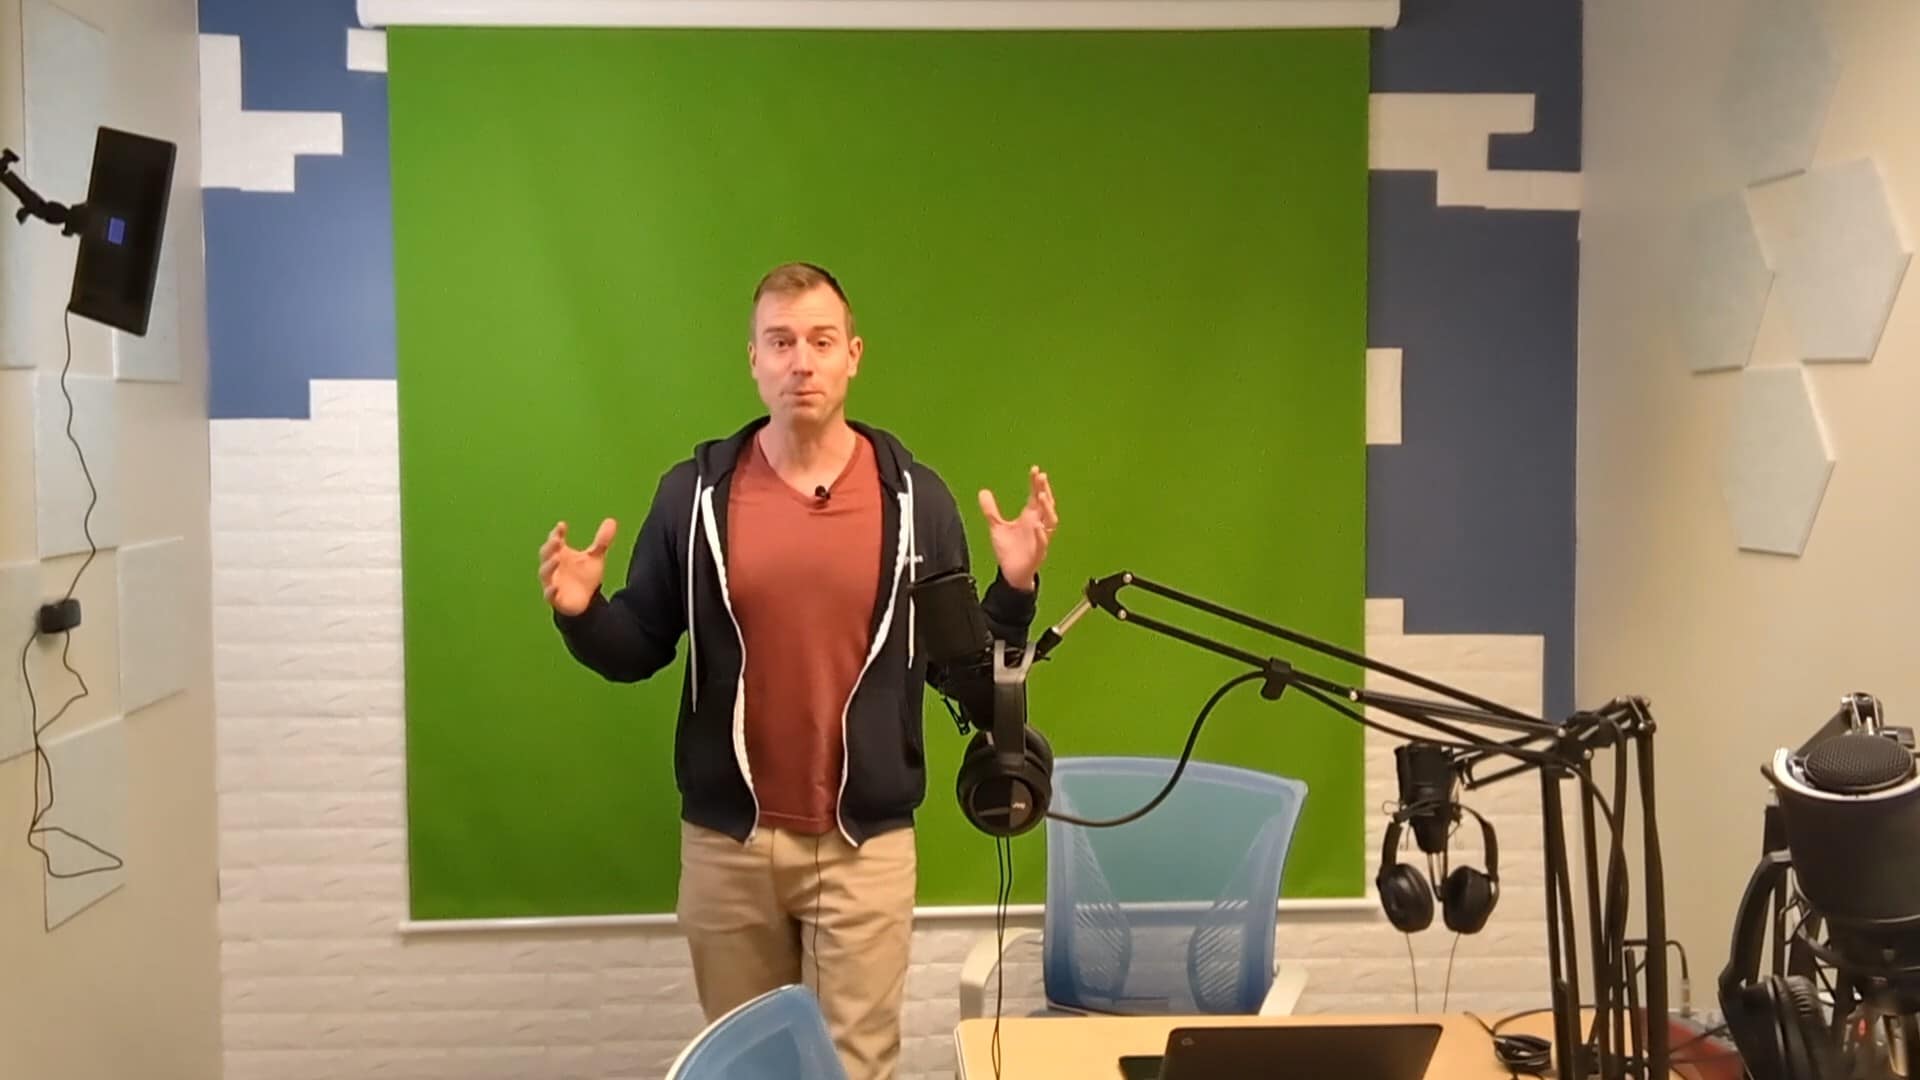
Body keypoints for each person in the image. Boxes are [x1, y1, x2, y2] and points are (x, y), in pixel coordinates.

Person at [536, 262, 1059, 1079]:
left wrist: (1016, 587)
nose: (801, 362)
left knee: (855, 1068)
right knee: (752, 1069)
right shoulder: (694, 498)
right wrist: (582, 614)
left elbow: (964, 676)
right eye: (781, 342)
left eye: (819, 341)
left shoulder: (916, 501)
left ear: (853, 355)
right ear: (754, 359)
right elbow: (637, 647)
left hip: (864, 846)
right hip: (729, 845)